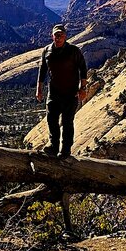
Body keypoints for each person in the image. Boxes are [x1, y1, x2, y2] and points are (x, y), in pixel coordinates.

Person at [36, 24, 87, 157]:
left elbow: (83, 69)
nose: (58, 38)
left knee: (67, 122)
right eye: (56, 35)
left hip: (70, 94)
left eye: (61, 35)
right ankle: (53, 146)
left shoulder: (74, 51)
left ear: (65, 36)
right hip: (53, 93)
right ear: (52, 36)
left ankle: (65, 149)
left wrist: (83, 88)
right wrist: (39, 89)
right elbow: (42, 70)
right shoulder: (47, 51)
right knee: (51, 120)